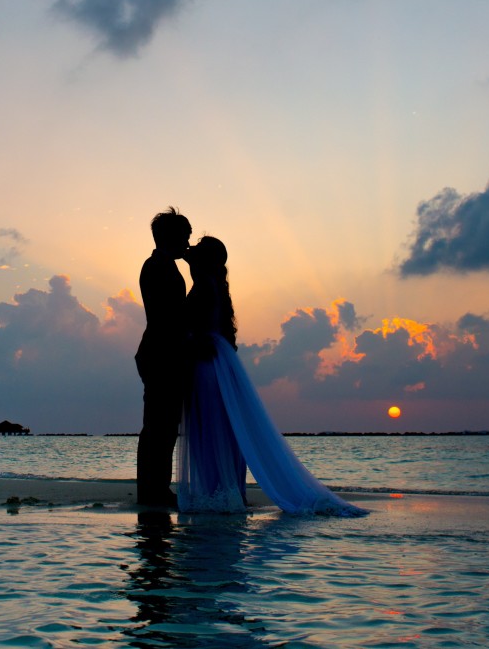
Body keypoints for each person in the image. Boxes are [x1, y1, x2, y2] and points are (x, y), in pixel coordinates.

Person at [177, 236, 366, 517]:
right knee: (224, 428)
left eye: (197, 248)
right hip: (219, 360)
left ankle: (217, 492)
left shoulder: (204, 283)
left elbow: (193, 322)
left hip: (207, 363)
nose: (190, 249)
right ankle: (227, 491)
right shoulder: (214, 283)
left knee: (211, 426)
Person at [135, 207, 193, 508]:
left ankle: (155, 488)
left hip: (162, 352)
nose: (188, 243)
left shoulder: (165, 265)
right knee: (159, 426)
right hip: (161, 354)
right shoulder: (157, 267)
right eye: (184, 237)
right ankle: (152, 490)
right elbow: (167, 317)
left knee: (163, 426)